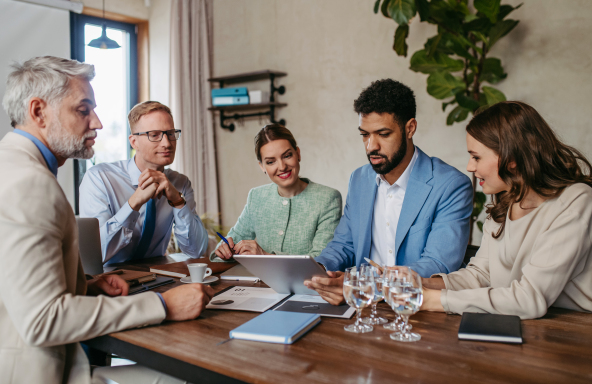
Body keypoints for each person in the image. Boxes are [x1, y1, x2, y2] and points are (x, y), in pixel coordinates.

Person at [0, 56, 214, 384]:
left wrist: (83, 287)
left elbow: (17, 282)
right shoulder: (31, 182)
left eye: (171, 134)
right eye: (83, 110)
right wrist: (162, 305)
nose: (97, 122)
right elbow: (43, 319)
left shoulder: (14, 167)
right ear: (38, 112)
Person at [420, 101, 592, 319]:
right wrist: (421, 284)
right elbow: (481, 275)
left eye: (476, 157)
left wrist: (432, 300)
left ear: (511, 159)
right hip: (519, 321)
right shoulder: (505, 202)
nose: (470, 166)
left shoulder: (576, 201)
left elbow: (529, 299)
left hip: (579, 329)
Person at [304, 79, 473, 305]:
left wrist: (363, 283)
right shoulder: (359, 179)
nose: (370, 146)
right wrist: (321, 272)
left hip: (417, 309)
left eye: (383, 134)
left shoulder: (451, 185)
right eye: (365, 134)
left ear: (410, 128)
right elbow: (344, 245)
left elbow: (438, 265)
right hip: (362, 308)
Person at [79, 101, 209, 265]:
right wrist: (134, 203)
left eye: (170, 134)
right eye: (154, 135)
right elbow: (95, 254)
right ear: (134, 142)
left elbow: (196, 251)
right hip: (109, 280)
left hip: (160, 277)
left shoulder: (179, 183)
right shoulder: (99, 178)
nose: (167, 143)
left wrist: (177, 202)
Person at [212, 124, 342, 260]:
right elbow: (222, 251)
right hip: (258, 281)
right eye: (270, 162)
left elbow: (322, 260)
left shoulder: (328, 198)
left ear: (298, 153)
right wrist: (224, 252)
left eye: (287, 156)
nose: (282, 167)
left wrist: (265, 256)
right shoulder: (256, 197)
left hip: (304, 281)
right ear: (262, 166)